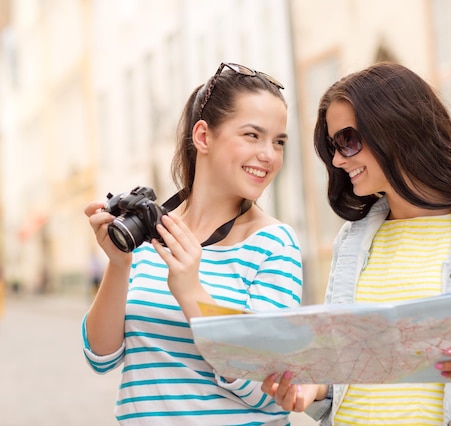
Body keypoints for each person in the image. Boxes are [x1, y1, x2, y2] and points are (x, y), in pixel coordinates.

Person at [261, 62, 451, 425]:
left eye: (347, 140)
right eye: (333, 146)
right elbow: (340, 371)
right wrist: (312, 388)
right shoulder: (351, 241)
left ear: (395, 130)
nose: (336, 159)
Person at [82, 62, 303, 425]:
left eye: (278, 141)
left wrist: (192, 293)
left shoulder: (273, 244)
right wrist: (119, 263)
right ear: (203, 136)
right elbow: (100, 356)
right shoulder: (150, 233)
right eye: (252, 135)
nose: (270, 155)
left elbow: (271, 390)